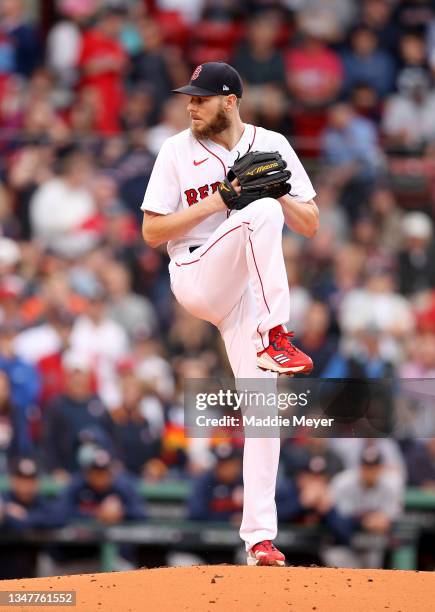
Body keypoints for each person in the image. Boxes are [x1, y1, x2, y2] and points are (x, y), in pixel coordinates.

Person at [141, 61, 318, 566]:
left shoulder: (273, 144)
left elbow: (308, 223)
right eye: (189, 97)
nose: (191, 105)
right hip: (196, 271)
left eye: (201, 97)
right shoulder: (176, 150)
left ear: (231, 100)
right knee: (256, 212)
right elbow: (153, 233)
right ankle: (276, 334)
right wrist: (219, 200)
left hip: (246, 290)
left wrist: (279, 189)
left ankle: (260, 539)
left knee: (263, 409)